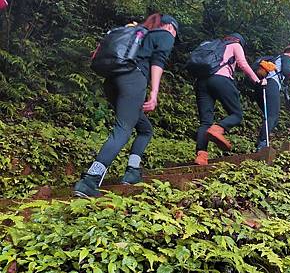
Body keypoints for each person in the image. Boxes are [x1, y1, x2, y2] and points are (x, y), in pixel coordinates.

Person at [74, 13, 178, 198]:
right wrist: (154, 93)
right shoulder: (165, 35)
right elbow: (158, 62)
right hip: (133, 79)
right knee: (123, 128)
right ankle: (90, 179)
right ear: (170, 27)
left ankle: (132, 172)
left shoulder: (137, 32)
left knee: (145, 129)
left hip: (112, 80)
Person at [194, 33, 266, 165]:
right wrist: (257, 81)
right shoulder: (235, 45)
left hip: (201, 82)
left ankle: (201, 156)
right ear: (239, 41)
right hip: (221, 79)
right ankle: (217, 129)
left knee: (205, 122)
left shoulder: (213, 45)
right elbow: (242, 64)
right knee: (237, 114)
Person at [255, 45, 290, 150]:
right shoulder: (286, 57)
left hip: (263, 84)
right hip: (272, 84)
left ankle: (261, 141)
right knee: (273, 116)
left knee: (270, 116)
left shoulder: (277, 59)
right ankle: (262, 143)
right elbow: (286, 72)